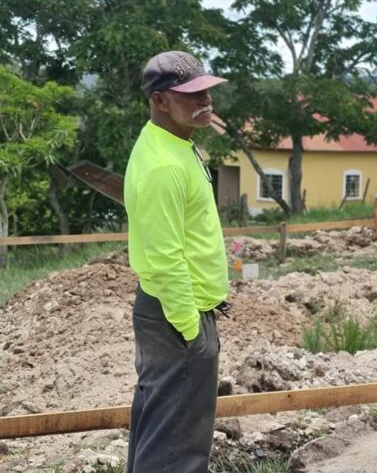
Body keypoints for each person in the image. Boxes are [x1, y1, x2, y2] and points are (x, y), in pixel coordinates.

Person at [124, 51, 229, 473]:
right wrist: (190, 329)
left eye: (206, 90)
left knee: (160, 433)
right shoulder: (164, 166)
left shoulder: (175, 145)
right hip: (177, 317)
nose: (204, 100)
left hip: (173, 313)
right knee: (177, 450)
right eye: (190, 94)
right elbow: (166, 259)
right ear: (159, 100)